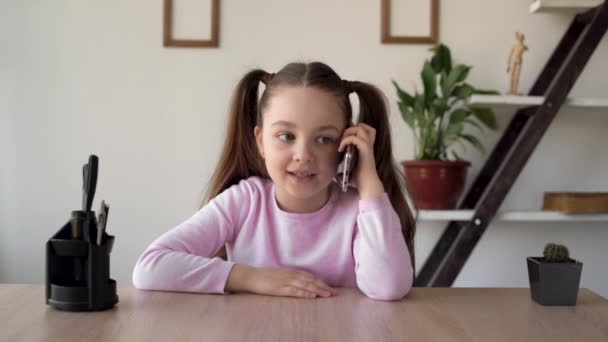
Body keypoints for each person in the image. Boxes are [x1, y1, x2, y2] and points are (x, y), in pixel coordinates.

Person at [132, 61, 416, 301]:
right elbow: (150, 266)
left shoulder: (361, 210)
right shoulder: (243, 202)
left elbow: (389, 287)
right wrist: (251, 278)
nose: (303, 155)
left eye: (324, 139)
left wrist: (368, 183)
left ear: (346, 145)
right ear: (260, 141)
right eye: (286, 136)